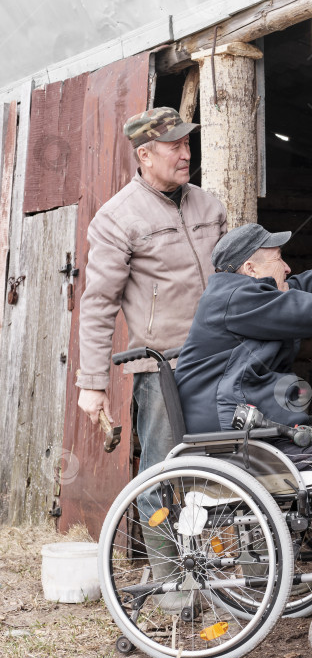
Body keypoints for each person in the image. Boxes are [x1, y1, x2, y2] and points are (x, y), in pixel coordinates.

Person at [175, 223, 312, 595]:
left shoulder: (253, 294)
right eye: (278, 259)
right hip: (238, 443)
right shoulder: (237, 299)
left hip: (257, 435)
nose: (288, 267)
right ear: (249, 268)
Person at [76, 107, 227, 606]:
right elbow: (97, 304)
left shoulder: (210, 206)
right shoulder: (118, 218)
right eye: (174, 146)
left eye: (188, 144)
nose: (186, 153)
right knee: (164, 473)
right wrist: (92, 382)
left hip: (222, 359)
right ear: (144, 155)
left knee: (230, 467)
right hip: (163, 366)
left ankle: (233, 575)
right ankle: (174, 584)